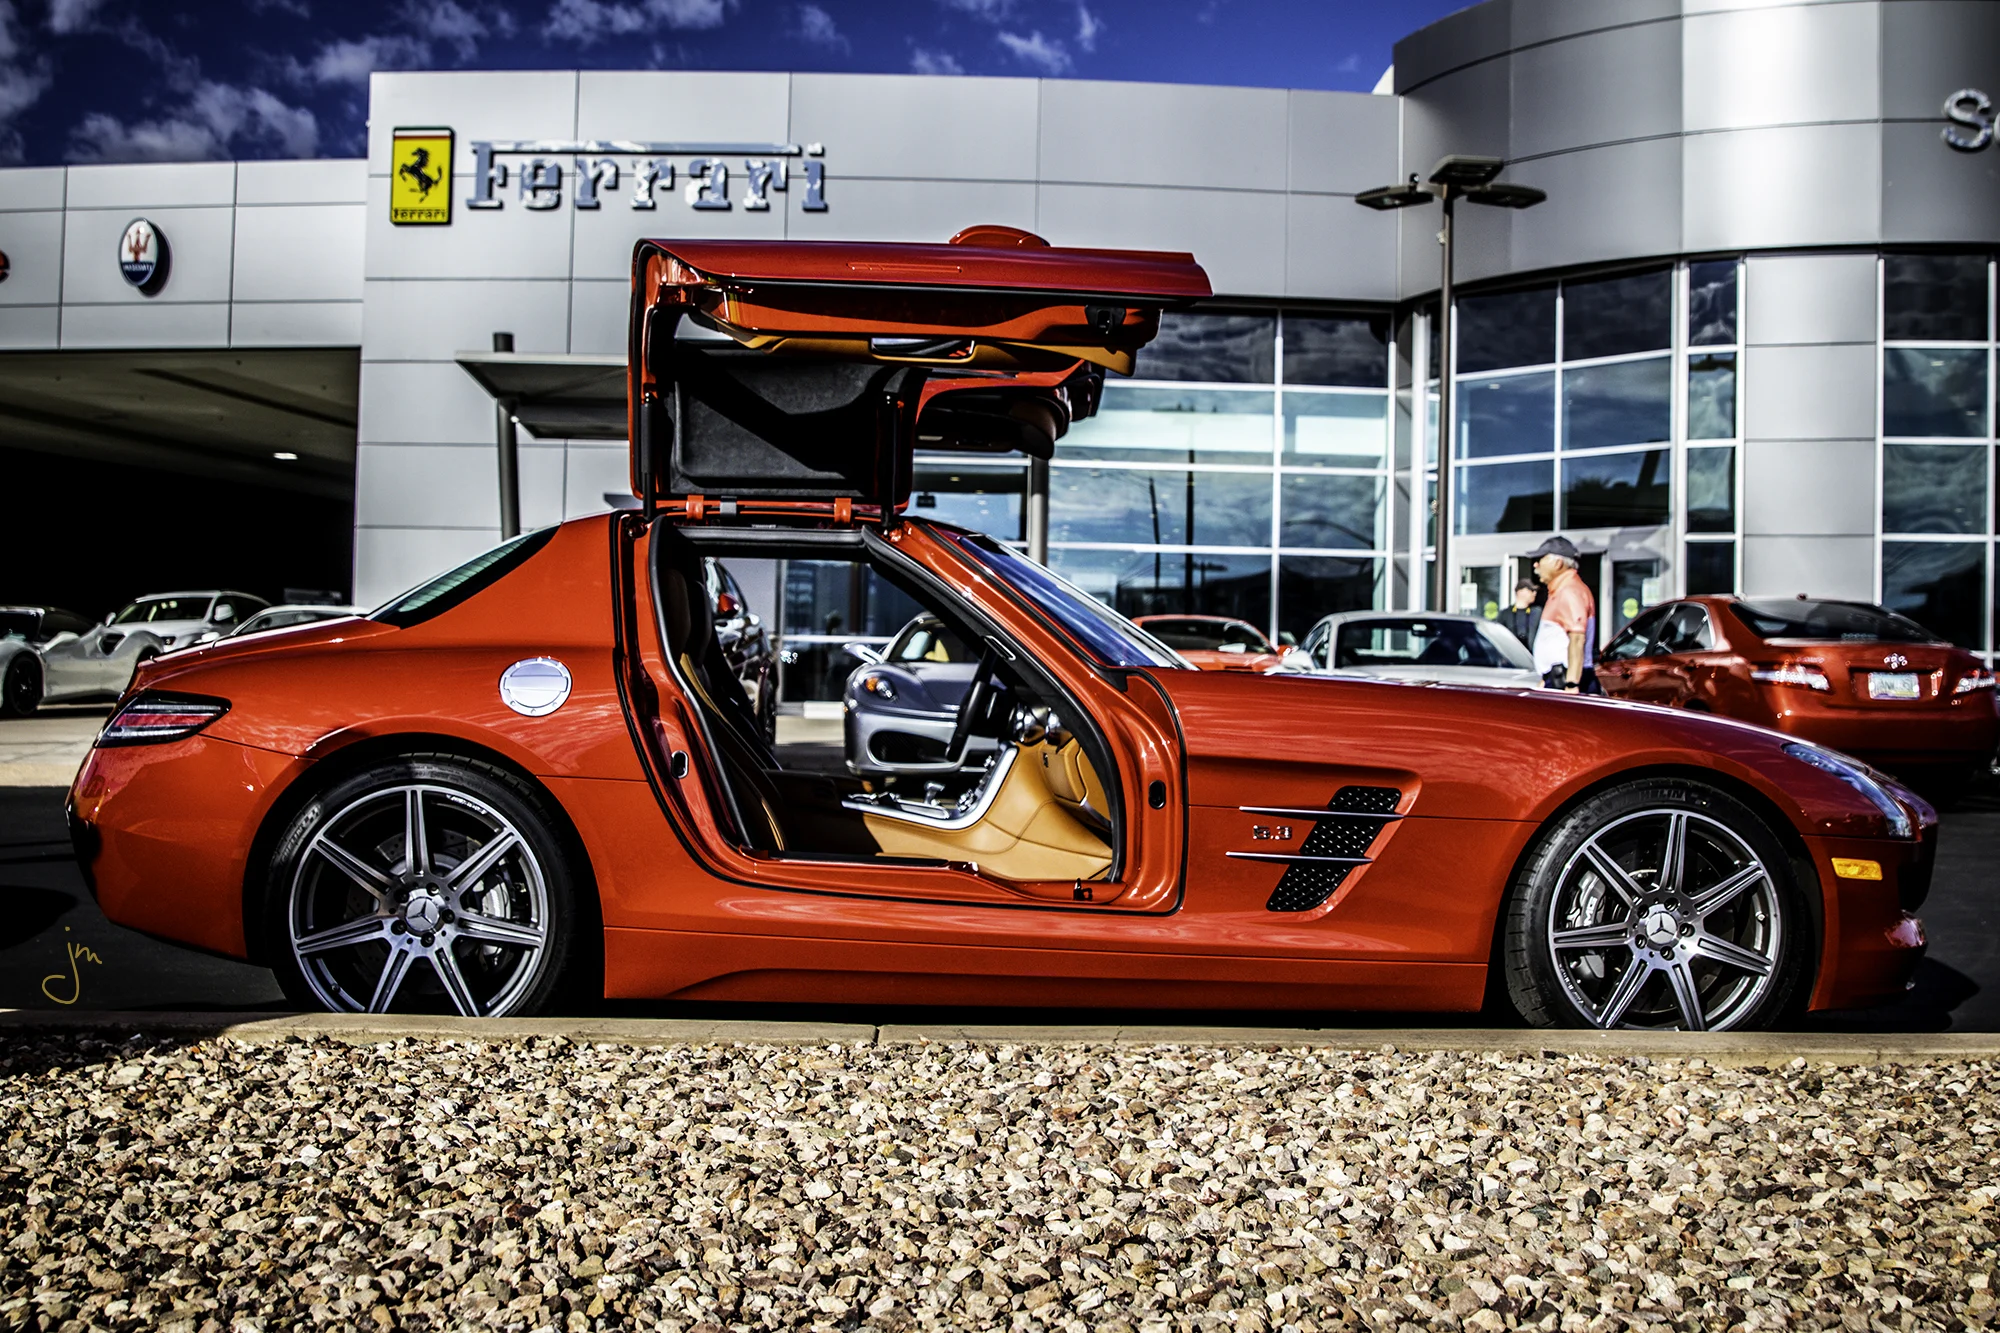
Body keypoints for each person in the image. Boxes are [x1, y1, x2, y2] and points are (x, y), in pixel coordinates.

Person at [1523, 536, 1597, 693]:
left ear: (1558, 563)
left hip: (1566, 680)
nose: (1536, 565)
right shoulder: (1561, 590)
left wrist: (1572, 685)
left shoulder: (1570, 591)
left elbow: (1577, 639)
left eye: (1540, 559)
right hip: (1558, 678)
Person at [1497, 579, 1541, 649]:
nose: (1534, 593)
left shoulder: (1537, 612)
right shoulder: (1506, 614)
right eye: (1531, 590)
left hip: (1532, 656)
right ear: (1520, 592)